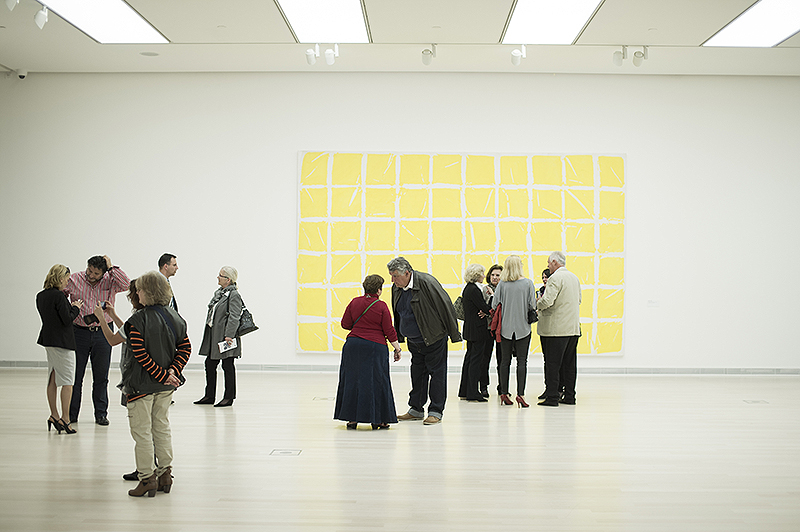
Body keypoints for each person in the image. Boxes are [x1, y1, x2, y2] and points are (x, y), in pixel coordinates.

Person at [119, 271, 191, 497]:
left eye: (139, 289)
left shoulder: (136, 321)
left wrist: (162, 374)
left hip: (140, 386)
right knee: (161, 427)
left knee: (142, 432)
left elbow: (139, 354)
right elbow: (185, 347)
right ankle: (165, 475)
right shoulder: (175, 317)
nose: (137, 293)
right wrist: (172, 372)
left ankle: (147, 478)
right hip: (166, 387)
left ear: (148, 292)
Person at [387, 257, 461, 425]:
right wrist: (399, 336)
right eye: (391, 275)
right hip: (414, 341)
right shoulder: (397, 288)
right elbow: (398, 312)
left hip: (433, 338)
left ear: (407, 273)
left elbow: (446, 306)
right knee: (417, 374)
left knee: (437, 374)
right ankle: (416, 409)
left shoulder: (427, 283)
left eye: (395, 275)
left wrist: (454, 334)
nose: (392, 280)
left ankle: (436, 411)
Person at [92, 281, 148, 482]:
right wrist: (113, 315)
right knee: (155, 428)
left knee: (141, 429)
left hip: (137, 380)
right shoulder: (155, 315)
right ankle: (158, 470)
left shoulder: (138, 319)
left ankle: (145, 471)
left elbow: (114, 339)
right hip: (153, 381)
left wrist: (101, 319)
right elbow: (128, 332)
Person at [64, 255, 130, 425]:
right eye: (89, 270)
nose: (91, 275)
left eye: (96, 273)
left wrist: (111, 267)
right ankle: (72, 414)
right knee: (76, 376)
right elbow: (60, 294)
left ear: (103, 272)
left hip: (103, 332)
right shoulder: (74, 279)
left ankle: (101, 414)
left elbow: (127, 284)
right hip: (78, 332)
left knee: (101, 377)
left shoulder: (111, 280)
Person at [334, 274, 402, 430]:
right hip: (375, 347)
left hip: (353, 346)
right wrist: (397, 348)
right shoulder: (381, 306)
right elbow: (389, 330)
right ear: (379, 290)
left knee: (352, 380)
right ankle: (379, 420)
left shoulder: (354, 302)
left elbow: (345, 324)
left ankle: (352, 419)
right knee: (378, 381)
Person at [36, 264, 83, 435]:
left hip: (48, 340)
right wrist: (76, 307)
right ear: (61, 278)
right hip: (63, 343)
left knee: (53, 377)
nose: (68, 282)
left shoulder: (41, 296)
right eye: (67, 279)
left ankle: (54, 415)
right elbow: (67, 319)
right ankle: (65, 419)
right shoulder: (59, 296)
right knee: (68, 382)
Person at [536, 251, 581, 407]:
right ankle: (570, 396)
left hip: (556, 330)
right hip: (573, 328)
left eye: (549, 263)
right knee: (569, 364)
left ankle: (552, 397)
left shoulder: (555, 278)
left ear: (555, 262)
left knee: (552, 365)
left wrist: (537, 303)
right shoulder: (574, 278)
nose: (548, 266)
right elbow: (579, 300)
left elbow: (547, 301)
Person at [491, 255, 536, 408]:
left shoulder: (502, 284)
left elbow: (494, 304)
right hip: (523, 328)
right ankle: (520, 395)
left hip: (505, 328)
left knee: (505, 361)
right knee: (522, 361)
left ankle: (504, 393)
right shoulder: (528, 283)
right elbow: (532, 305)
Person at [195, 266, 242, 408]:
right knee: (210, 364)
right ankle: (209, 396)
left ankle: (229, 397)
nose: (218, 277)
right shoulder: (220, 293)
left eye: (221, 275)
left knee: (227, 365)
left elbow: (234, 316)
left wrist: (229, 335)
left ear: (228, 280)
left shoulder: (234, 295)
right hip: (214, 336)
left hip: (226, 337)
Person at [458, 264, 493, 402]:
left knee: (469, 359)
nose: (484, 276)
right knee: (475, 362)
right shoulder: (474, 290)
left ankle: (465, 390)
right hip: (477, 330)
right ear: (477, 275)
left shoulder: (468, 288)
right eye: (482, 274)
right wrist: (492, 297)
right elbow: (485, 307)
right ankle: (473, 392)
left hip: (470, 329)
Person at [481, 264, 503, 395]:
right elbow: (485, 307)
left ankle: (502, 387)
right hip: (488, 328)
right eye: (492, 275)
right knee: (485, 358)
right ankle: (484, 386)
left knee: (502, 359)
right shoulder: (484, 289)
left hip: (501, 328)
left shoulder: (505, 289)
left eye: (497, 275)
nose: (494, 277)